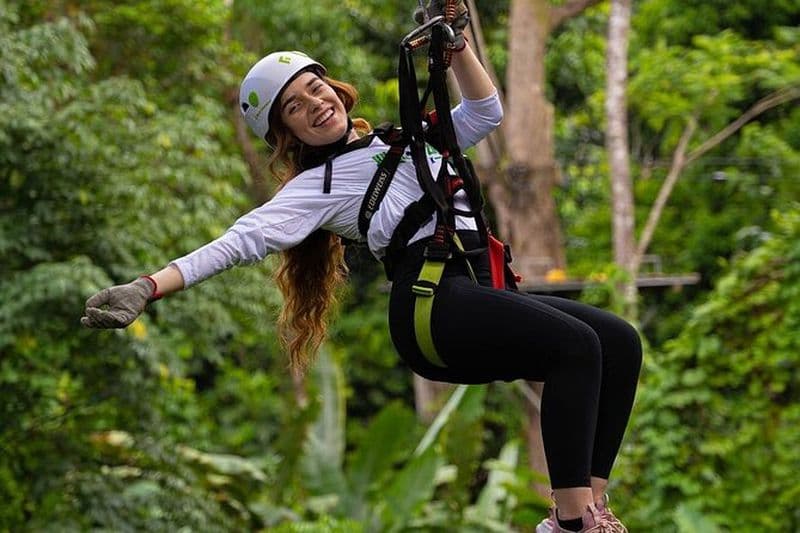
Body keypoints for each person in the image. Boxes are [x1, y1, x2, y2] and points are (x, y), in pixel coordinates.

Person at [81, 2, 641, 531]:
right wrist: (148, 286)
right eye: (295, 108)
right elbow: (239, 240)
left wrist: (456, 43)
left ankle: (592, 506)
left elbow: (484, 111)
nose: (314, 104)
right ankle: (572, 522)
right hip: (431, 307)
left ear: (335, 88)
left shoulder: (410, 139)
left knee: (617, 341)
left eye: (314, 88)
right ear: (287, 135)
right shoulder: (315, 188)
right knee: (576, 346)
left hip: (473, 294)